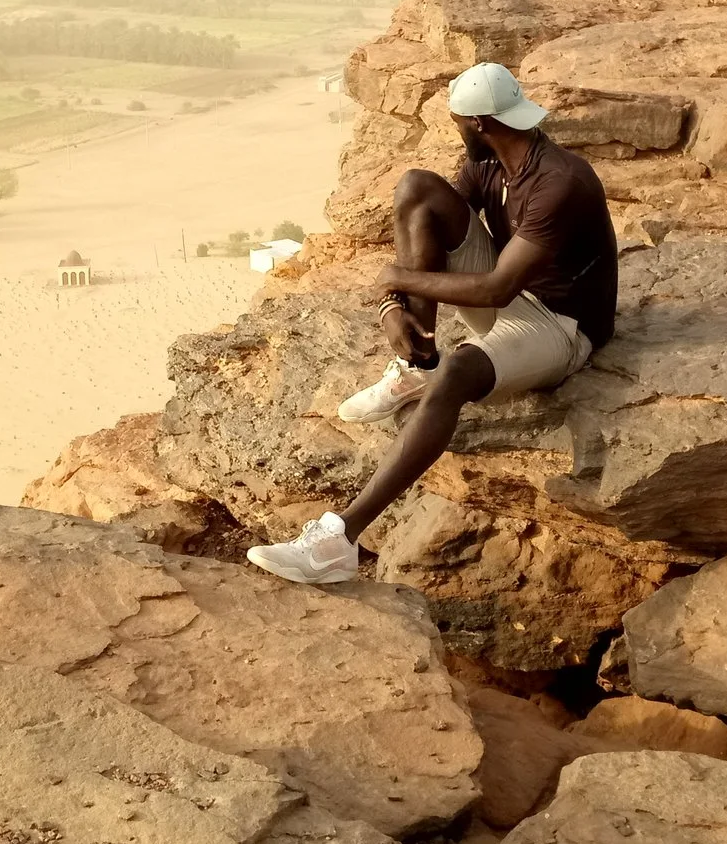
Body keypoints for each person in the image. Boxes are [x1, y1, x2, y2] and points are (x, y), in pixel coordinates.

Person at [247, 62, 618, 584]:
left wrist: (395, 280)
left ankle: (336, 542)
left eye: (456, 122)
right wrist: (392, 308)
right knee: (418, 189)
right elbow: (431, 229)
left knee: (459, 371)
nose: (456, 130)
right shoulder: (491, 163)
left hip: (560, 326)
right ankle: (415, 358)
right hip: (508, 293)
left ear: (479, 123)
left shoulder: (560, 182)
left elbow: (494, 289)